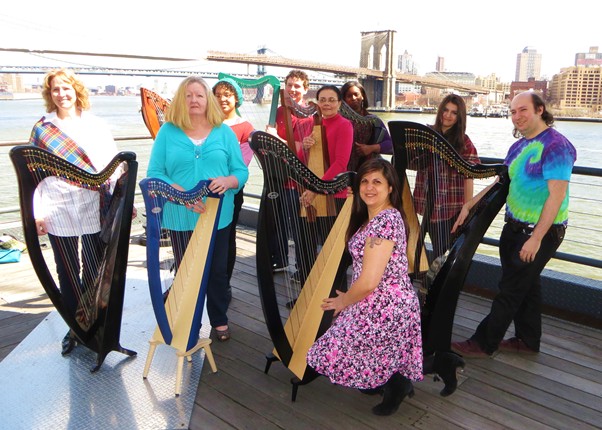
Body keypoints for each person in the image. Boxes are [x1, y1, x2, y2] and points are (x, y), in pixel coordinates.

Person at [451, 91, 576, 358]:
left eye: (523, 110)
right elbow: (502, 183)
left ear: (540, 109)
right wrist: (470, 204)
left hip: (540, 231)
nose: (516, 116)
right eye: (513, 112)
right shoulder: (518, 146)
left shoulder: (556, 146)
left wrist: (537, 238)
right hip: (514, 227)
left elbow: (556, 196)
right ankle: (528, 340)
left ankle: (483, 343)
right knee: (526, 285)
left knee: (510, 289)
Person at [306, 158, 423, 416]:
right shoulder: (374, 217)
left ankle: (399, 384)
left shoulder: (386, 220)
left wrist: (344, 301)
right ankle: (387, 377)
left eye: (377, 182)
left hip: (387, 305)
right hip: (376, 301)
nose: (370, 187)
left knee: (325, 353)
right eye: (365, 181)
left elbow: (369, 282)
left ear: (391, 187)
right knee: (358, 357)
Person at [147, 76, 248, 342]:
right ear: (181, 100)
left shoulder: (224, 132)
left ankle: (219, 318)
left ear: (208, 100)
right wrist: (182, 196)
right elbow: (155, 173)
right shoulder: (167, 131)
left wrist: (228, 181)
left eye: (200, 95)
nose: (194, 100)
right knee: (186, 271)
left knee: (217, 271)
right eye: (189, 95)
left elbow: (240, 171)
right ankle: (188, 322)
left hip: (218, 216)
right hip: (180, 216)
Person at [29, 68, 120, 355]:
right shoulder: (42, 129)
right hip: (57, 206)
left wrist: (120, 201)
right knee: (66, 271)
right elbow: (33, 177)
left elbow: (113, 164)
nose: (62, 94)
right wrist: (38, 213)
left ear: (76, 90)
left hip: (93, 204)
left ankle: (90, 322)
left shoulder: (96, 125)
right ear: (49, 94)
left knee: (94, 268)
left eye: (66, 88)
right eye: (55, 89)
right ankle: (74, 327)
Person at [297, 85, 353, 287]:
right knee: (305, 249)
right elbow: (305, 161)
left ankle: (336, 300)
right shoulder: (313, 123)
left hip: (332, 196)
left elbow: (340, 164)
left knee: (333, 254)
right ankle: (307, 295)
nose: (327, 103)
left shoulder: (344, 125)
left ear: (339, 103)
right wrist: (304, 147)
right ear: (317, 102)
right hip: (311, 194)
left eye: (331, 99)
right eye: (323, 99)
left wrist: (315, 190)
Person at [412, 94, 480, 260]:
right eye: (445, 110)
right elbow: (411, 161)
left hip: (449, 204)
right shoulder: (426, 134)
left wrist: (467, 208)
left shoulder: (464, 142)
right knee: (415, 246)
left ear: (459, 117)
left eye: (454, 112)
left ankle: (435, 284)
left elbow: (469, 175)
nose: (448, 115)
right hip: (425, 199)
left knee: (441, 252)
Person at [212, 78, 255, 295]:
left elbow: (242, 163)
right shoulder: (206, 124)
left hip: (231, 191)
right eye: (218, 95)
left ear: (236, 98)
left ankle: (224, 284)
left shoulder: (246, 128)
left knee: (226, 237)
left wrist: (226, 182)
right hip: (206, 190)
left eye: (227, 94)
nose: (222, 99)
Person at [267, 69, 311, 274]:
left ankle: (303, 268)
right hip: (279, 175)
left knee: (299, 226)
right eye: (289, 85)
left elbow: (303, 147)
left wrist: (277, 139)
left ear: (305, 89)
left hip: (298, 178)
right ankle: (280, 259)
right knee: (278, 221)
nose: (292, 89)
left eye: (297, 86)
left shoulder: (310, 115)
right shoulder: (278, 111)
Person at [340, 81, 393, 170]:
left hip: (369, 168)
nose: (353, 98)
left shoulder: (374, 121)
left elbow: (390, 144)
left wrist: (371, 148)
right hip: (343, 169)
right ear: (343, 100)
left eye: (356, 94)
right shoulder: (339, 121)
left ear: (363, 96)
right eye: (349, 96)